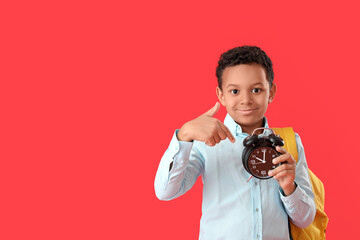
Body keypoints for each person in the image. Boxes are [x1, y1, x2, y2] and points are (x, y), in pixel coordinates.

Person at [154, 46, 316, 240]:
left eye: (256, 90)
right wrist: (185, 136)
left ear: (271, 92)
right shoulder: (204, 142)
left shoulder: (289, 142)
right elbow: (165, 192)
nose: (246, 100)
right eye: (234, 91)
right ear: (221, 95)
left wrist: (290, 188)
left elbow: (305, 220)